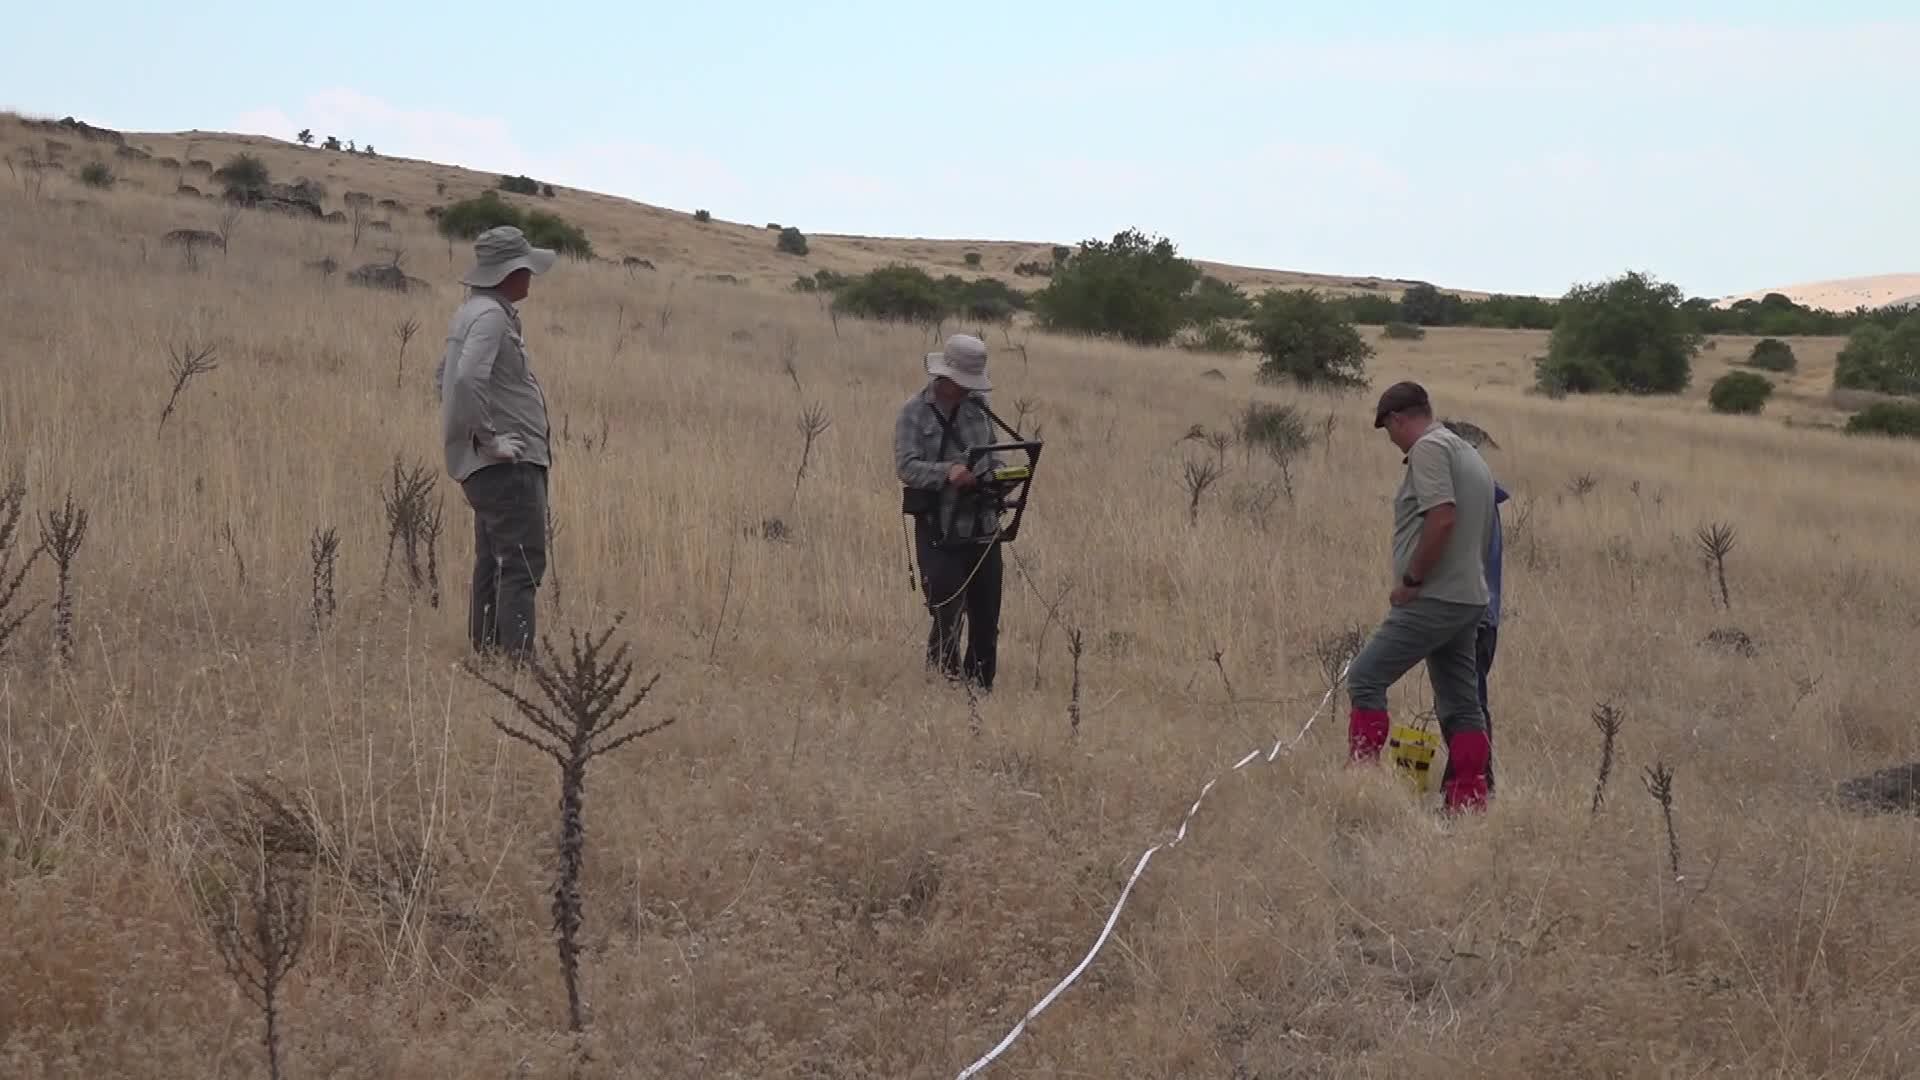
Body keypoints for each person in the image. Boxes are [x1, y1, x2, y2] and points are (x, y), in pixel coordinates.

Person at [1346, 381, 1499, 812]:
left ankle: (1361, 788)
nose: (1391, 440)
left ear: (1397, 419)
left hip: (1433, 596)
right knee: (1461, 705)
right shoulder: (1469, 454)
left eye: (1388, 430)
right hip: (1469, 598)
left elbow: (1442, 518)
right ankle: (1468, 801)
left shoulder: (1429, 449)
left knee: (1365, 677)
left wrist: (1412, 579)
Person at [434, 225, 557, 662]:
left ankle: (487, 655)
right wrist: (489, 439)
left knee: (494, 560)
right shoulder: (490, 317)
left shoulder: (472, 312)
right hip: (506, 467)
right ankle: (517, 663)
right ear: (510, 272)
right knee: (521, 564)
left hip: (485, 465)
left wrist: (470, 434)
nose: (531, 277)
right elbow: (465, 379)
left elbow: (443, 377)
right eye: (526, 269)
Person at [894, 334, 1006, 693]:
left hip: (983, 525)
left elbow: (994, 455)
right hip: (938, 528)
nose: (967, 389)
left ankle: (981, 688)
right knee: (946, 608)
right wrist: (947, 473)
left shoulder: (980, 408)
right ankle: (945, 682)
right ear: (945, 376)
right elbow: (906, 467)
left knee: (986, 615)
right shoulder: (913, 412)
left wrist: (1000, 478)